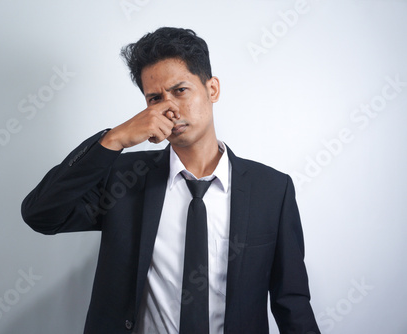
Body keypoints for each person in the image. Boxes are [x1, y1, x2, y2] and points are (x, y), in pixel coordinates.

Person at [21, 27, 320, 334]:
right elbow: (41, 214)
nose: (169, 108)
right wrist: (115, 139)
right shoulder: (124, 179)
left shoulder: (271, 190)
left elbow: (291, 302)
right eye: (154, 98)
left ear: (212, 89)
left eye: (180, 90)